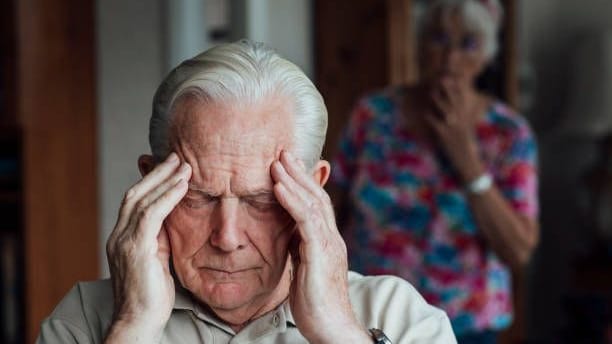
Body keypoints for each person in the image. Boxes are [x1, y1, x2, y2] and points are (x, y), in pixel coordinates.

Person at [36, 40, 456, 343]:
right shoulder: (85, 320)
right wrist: (133, 327)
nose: (227, 237)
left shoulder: (398, 317)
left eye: (261, 201)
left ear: (313, 191)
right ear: (150, 183)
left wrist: (338, 330)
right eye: (199, 197)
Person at [330, 0, 538, 343]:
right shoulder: (373, 115)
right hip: (373, 314)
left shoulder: (507, 133)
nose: (450, 58)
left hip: (468, 326)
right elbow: (331, 204)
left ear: (487, 54)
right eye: (438, 38)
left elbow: (518, 250)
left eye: (468, 43)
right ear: (419, 45)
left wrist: (466, 158)